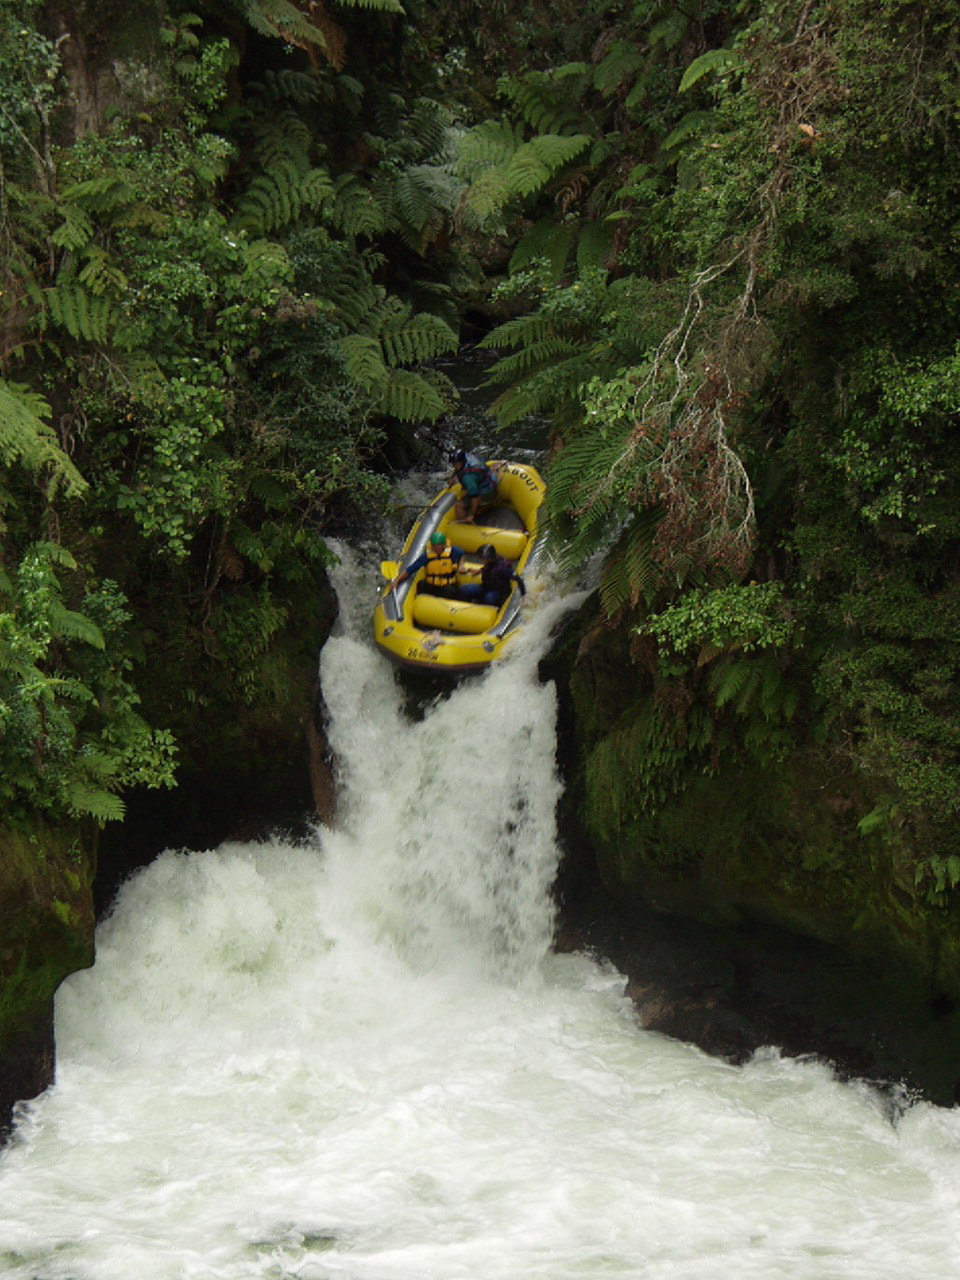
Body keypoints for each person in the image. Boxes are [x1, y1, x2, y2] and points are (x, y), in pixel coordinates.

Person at [387, 530, 467, 599]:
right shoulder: (426, 556)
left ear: (443, 545)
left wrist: (461, 565)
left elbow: (462, 554)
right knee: (421, 585)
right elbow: (410, 569)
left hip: (447, 586)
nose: (436, 548)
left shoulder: (453, 551)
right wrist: (397, 581)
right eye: (434, 546)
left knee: (450, 591)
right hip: (432, 585)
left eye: (438, 546)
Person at [460, 543, 527, 607]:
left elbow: (519, 579)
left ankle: (493, 609)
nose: (480, 560)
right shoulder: (491, 562)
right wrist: (479, 571)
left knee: (489, 598)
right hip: (486, 587)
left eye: (482, 558)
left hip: (499, 592)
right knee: (465, 589)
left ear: (488, 558)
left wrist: (523, 596)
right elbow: (488, 568)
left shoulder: (504, 569)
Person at [448, 449, 498, 523]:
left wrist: (471, 515)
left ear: (461, 461)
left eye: (455, 463)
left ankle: (464, 527)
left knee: (458, 506)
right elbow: (458, 468)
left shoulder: (468, 477)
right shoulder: (467, 457)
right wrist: (452, 477)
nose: (453, 465)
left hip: (487, 492)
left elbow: (475, 497)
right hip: (489, 481)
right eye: (453, 463)